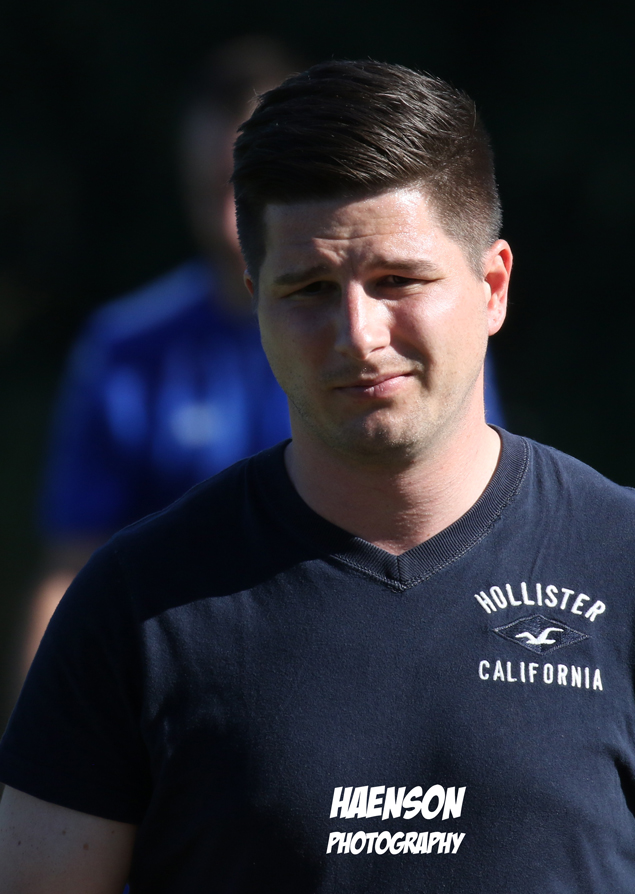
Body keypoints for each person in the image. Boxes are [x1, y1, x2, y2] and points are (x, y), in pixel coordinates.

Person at [0, 60, 635, 894]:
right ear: (257, 304)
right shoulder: (133, 604)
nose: (358, 332)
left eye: (399, 280)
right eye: (309, 289)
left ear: (492, 286)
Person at [20, 39, 507, 679]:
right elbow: (70, 569)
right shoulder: (125, 348)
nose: (360, 337)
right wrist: (45, 718)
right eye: (209, 194)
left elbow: (469, 519)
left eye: (239, 191)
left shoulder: (424, 338)